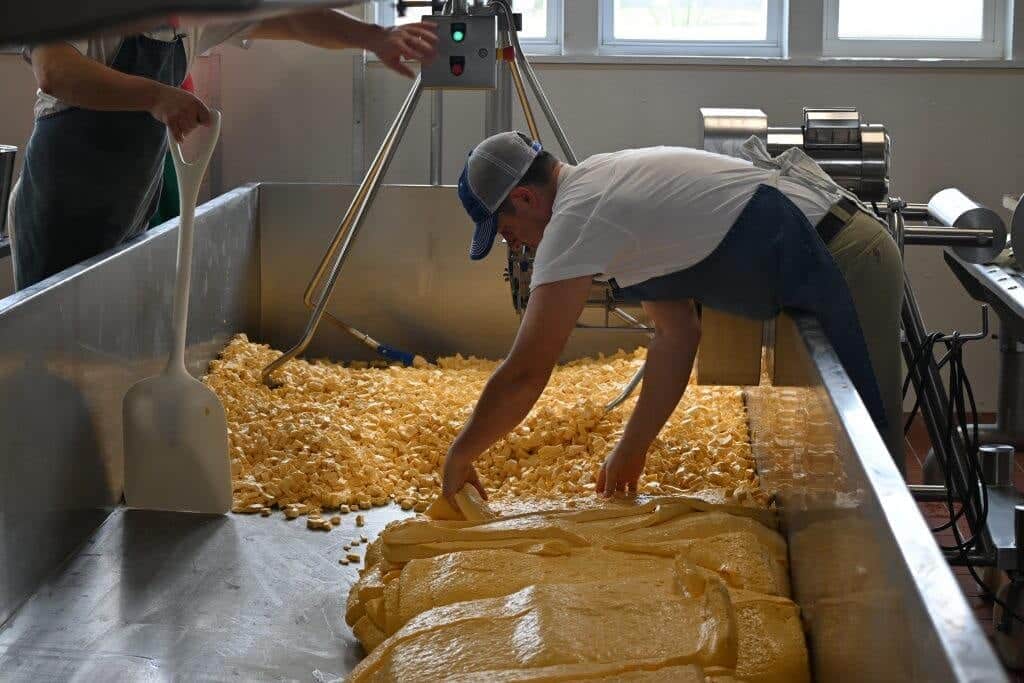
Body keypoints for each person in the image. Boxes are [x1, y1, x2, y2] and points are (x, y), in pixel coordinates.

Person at [441, 131, 904, 500]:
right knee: (858, 460)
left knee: (872, 459)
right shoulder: (600, 183)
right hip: (825, 254)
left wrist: (460, 456)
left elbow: (526, 372)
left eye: (507, 232)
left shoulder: (576, 216)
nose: (515, 245)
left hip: (846, 257)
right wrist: (632, 449)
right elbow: (676, 335)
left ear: (525, 198)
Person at [8, 7, 437, 290]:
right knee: (49, 354)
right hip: (59, 211)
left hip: (127, 212)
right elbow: (55, 71)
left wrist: (377, 35)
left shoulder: (186, 17)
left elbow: (291, 18)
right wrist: (156, 96)